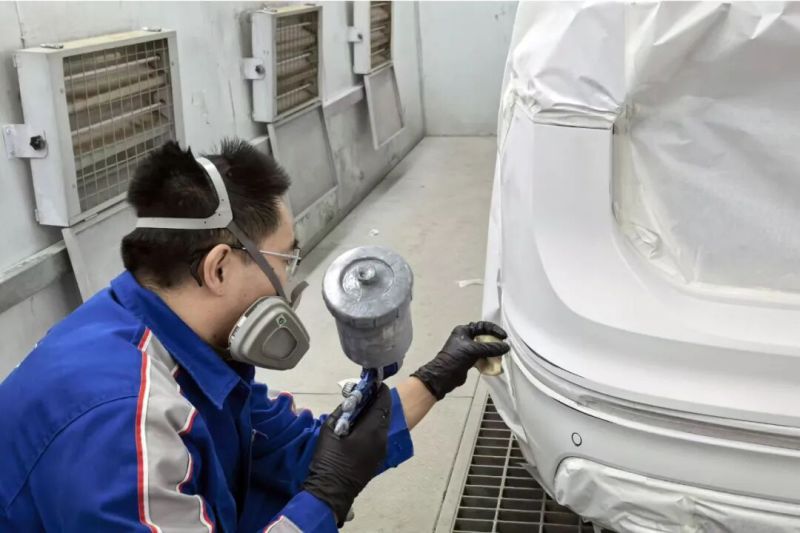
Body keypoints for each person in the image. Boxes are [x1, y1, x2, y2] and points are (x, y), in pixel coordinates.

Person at [0, 139, 510, 532]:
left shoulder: (177, 338)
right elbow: (326, 478)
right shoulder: (124, 422)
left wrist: (437, 377)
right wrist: (325, 500)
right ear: (218, 268)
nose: (289, 284)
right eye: (286, 259)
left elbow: (312, 450)